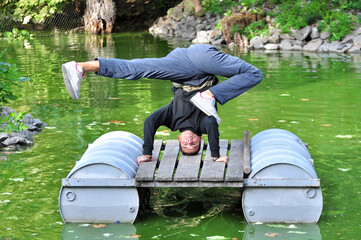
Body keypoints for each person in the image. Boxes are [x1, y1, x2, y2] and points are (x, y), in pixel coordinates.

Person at [61, 44, 263, 164]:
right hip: (196, 63)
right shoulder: (205, 122)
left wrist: (147, 153)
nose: (190, 141)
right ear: (201, 139)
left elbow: (151, 121)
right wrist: (216, 156)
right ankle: (209, 94)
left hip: (188, 65)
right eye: (194, 144)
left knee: (138, 68)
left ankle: (81, 67)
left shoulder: (173, 119)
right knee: (254, 74)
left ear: (179, 138)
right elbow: (212, 126)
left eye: (186, 144)